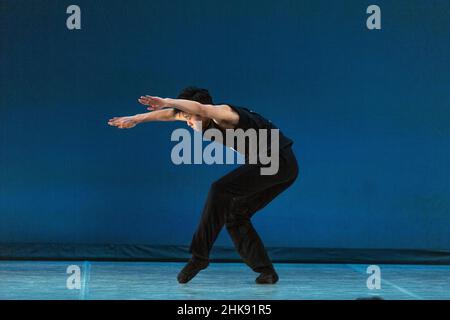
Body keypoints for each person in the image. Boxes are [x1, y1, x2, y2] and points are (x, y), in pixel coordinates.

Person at [108, 86, 299, 284]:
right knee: (235, 216)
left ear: (203, 109)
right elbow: (169, 115)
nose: (188, 122)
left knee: (220, 189)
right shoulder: (195, 116)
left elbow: (197, 109)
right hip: (276, 167)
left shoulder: (224, 114)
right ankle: (266, 271)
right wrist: (135, 119)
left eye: (191, 117)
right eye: (186, 117)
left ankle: (199, 258)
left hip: (278, 162)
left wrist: (167, 100)